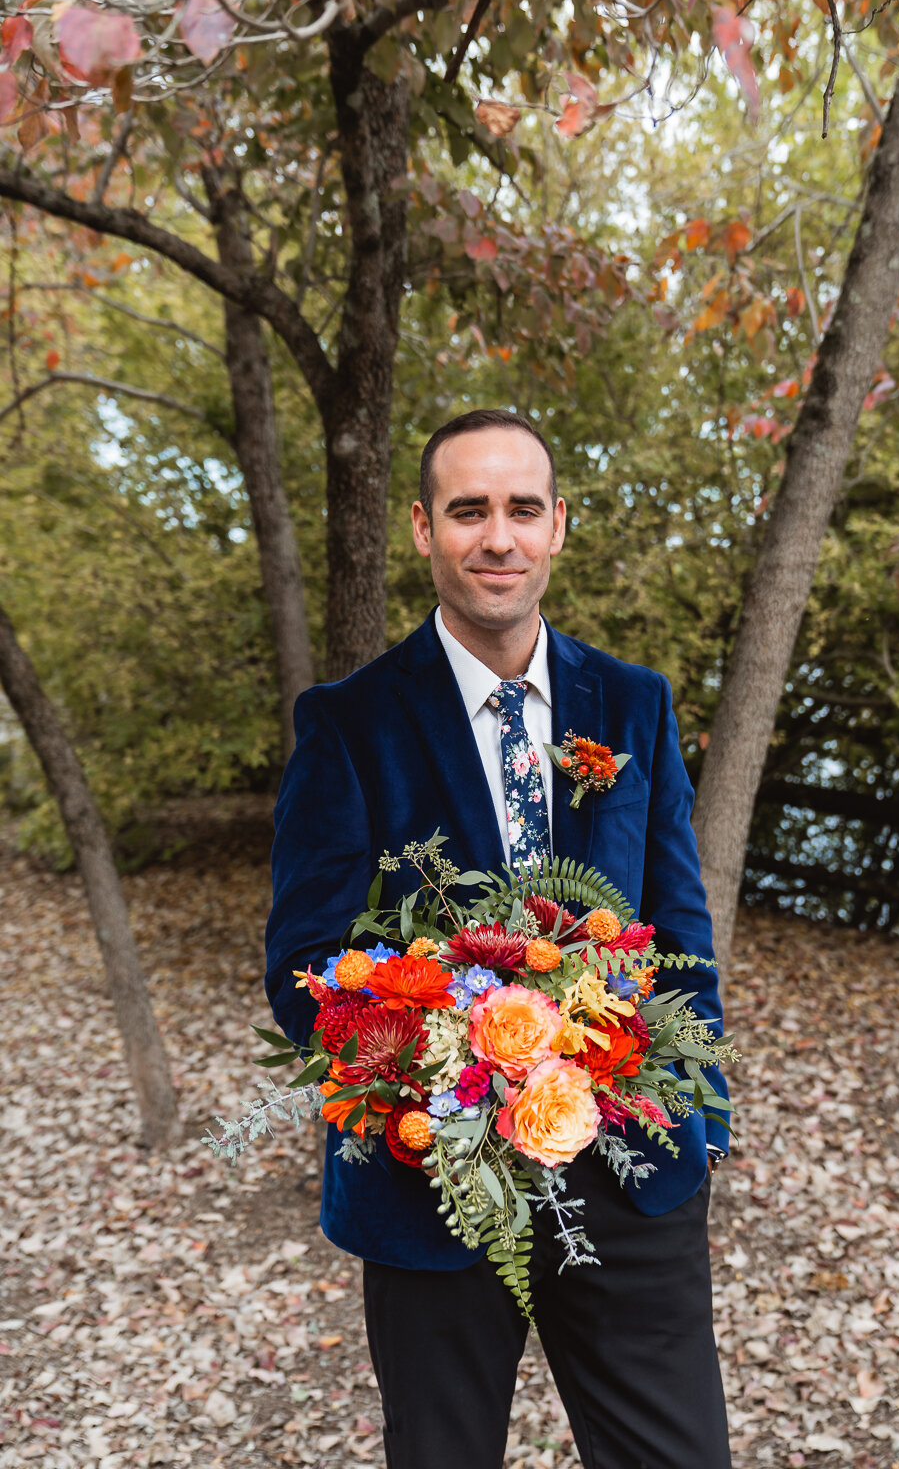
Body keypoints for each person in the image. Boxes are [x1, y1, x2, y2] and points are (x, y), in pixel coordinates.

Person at [265, 409, 732, 1469]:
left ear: (557, 525)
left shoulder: (632, 703)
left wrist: (694, 1120)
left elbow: (682, 936)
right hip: (432, 1181)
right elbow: (303, 971)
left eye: (522, 508)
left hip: (628, 1173)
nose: (498, 537)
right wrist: (455, 1050)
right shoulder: (347, 725)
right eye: (468, 511)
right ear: (423, 530)